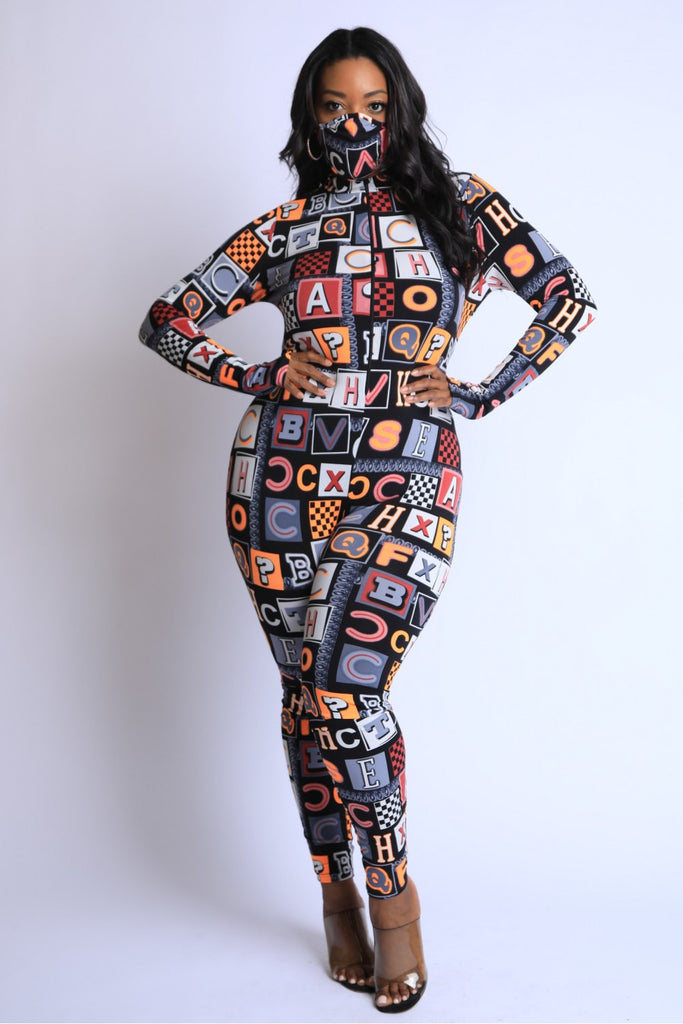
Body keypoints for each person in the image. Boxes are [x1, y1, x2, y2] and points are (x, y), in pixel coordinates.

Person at [139, 26, 596, 1013]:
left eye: (375, 109)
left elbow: (564, 299)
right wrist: (257, 374)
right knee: (305, 693)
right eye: (336, 109)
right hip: (276, 477)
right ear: (309, 118)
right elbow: (165, 320)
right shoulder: (285, 229)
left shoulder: (462, 206)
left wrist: (478, 394)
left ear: (403, 112)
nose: (356, 128)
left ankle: (391, 895)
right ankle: (332, 891)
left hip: (406, 469)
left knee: (346, 685)